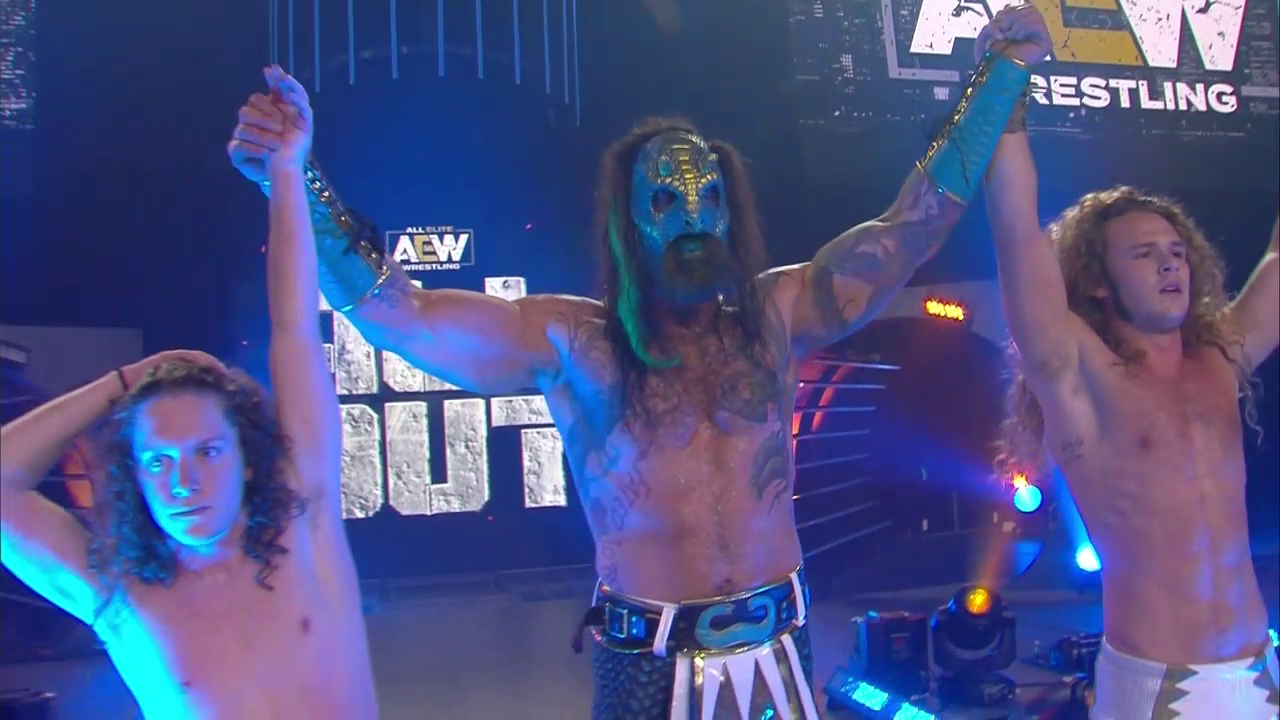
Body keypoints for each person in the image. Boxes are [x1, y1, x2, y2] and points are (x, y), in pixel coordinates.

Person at [228, 26, 1043, 714]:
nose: (692, 218)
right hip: (648, 660)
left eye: (707, 199)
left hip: (779, 645)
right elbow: (397, 313)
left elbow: (911, 228)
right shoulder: (572, 343)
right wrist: (294, 177)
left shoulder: (775, 315)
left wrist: (1000, 78)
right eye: (665, 201)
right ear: (628, 221)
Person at [0, 110, 378, 720]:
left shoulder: (304, 525)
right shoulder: (120, 595)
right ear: (135, 476)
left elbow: (294, 329)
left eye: (207, 452)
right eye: (158, 461)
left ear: (247, 459)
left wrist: (287, 170)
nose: (184, 482)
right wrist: (120, 383)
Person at [981, 7, 1280, 719]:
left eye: (1176, 252)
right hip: (1158, 686)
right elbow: (1018, 233)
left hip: (1257, 673)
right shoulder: (1081, 377)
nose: (1171, 265)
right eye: (1145, 255)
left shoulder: (1220, 360)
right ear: (1096, 281)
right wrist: (1006, 84)